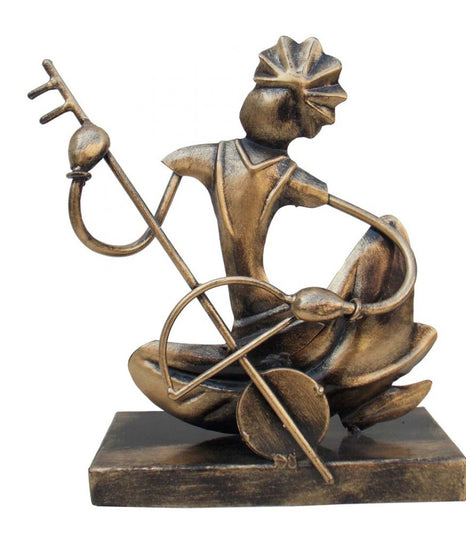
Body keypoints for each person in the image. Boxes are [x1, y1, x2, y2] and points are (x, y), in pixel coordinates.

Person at [71, 37, 436, 433]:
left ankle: (349, 394)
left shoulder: (256, 169)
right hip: (262, 328)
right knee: (146, 361)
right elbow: (135, 239)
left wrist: (79, 177)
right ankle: (336, 398)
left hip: (286, 321)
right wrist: (82, 173)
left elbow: (133, 241)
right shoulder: (222, 161)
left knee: (389, 236)